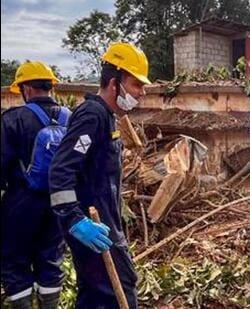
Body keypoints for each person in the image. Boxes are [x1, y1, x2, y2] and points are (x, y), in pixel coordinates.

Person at [48, 42, 151, 308]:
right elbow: (60, 171)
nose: (142, 93)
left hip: (105, 226)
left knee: (94, 298)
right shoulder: (92, 116)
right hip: (93, 230)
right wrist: (75, 221)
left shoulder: (107, 116)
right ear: (114, 82)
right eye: (136, 85)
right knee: (117, 294)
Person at [1, 61, 69, 309]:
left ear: (26, 88)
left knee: (14, 259)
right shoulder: (70, 119)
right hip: (61, 201)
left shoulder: (13, 119)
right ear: (50, 86)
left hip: (21, 201)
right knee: (51, 257)